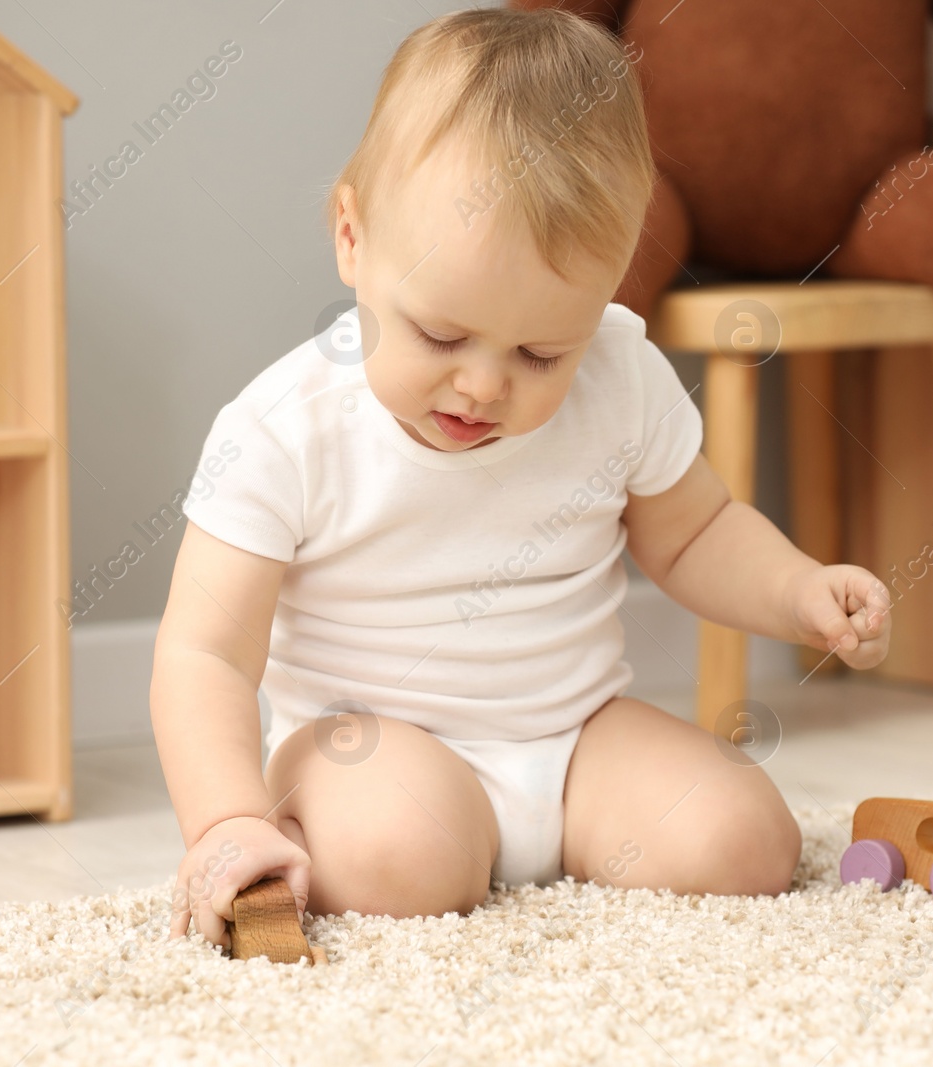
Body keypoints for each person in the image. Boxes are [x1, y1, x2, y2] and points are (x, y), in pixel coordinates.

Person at [153, 6, 891, 951]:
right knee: (404, 862)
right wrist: (225, 819)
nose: (483, 384)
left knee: (747, 843)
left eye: (544, 351)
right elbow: (205, 654)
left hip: (575, 739)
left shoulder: (620, 375)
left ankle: (529, 840)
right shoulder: (284, 429)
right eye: (442, 334)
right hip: (373, 751)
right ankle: (318, 835)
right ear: (351, 237)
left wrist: (798, 590)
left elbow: (698, 533)